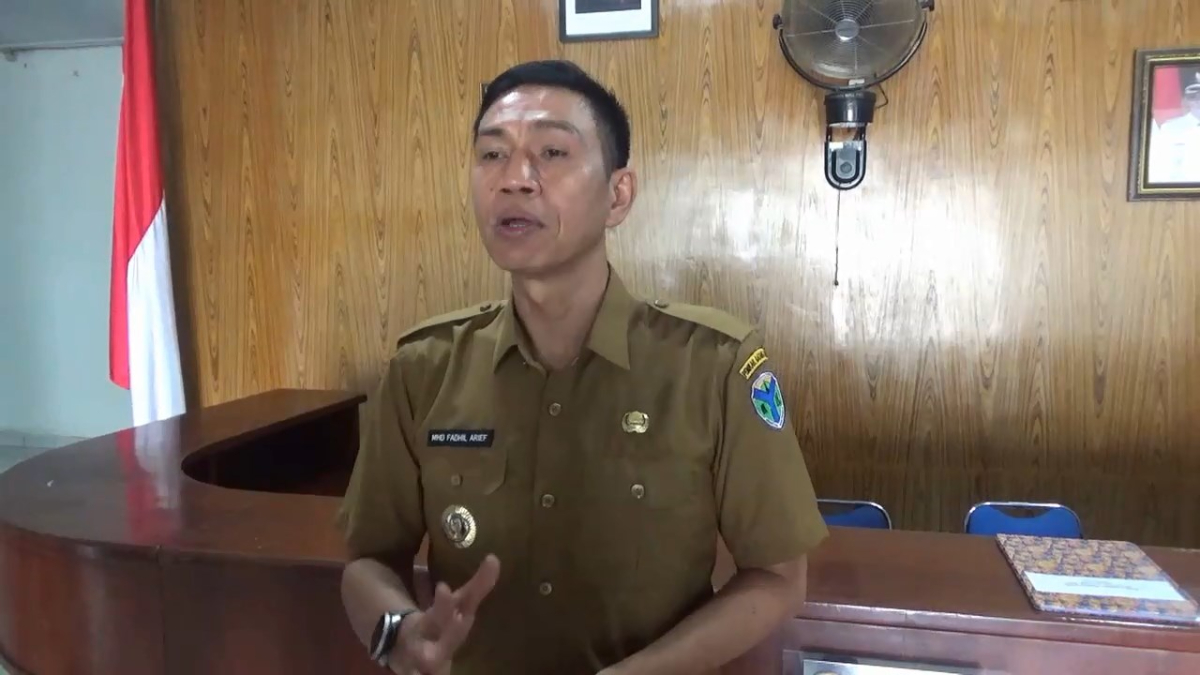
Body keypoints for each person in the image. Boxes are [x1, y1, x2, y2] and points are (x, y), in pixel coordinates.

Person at [336, 59, 829, 675]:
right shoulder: (423, 369)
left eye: (551, 152)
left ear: (618, 196)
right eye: (492, 155)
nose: (514, 179)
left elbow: (779, 577)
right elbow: (367, 561)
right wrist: (398, 632)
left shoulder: (713, 367)